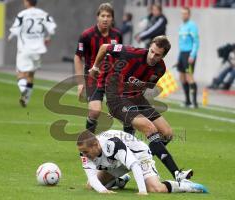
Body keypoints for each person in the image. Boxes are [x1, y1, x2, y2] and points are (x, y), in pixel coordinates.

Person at [89, 36, 193, 182]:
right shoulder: (131, 53)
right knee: (150, 128)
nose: (152, 56)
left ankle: (132, 158)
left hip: (136, 98)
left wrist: (132, 112)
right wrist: (95, 68)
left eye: (157, 55)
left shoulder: (160, 69)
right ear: (149, 47)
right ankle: (177, 173)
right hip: (117, 98)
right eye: (151, 51)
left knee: (167, 134)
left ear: (163, 56)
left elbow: (144, 87)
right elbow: (104, 47)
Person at [77, 130, 208, 194]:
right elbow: (92, 177)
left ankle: (185, 185)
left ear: (95, 145)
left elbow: (134, 164)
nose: (84, 155)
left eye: (86, 152)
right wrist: (103, 191)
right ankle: (120, 180)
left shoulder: (112, 144)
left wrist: (142, 191)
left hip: (138, 156)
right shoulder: (86, 152)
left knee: (154, 188)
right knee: (91, 185)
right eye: (82, 152)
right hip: (118, 161)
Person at [74, 3, 134, 135]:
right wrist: (79, 82)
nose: (105, 19)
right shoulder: (87, 35)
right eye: (103, 16)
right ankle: (88, 146)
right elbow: (78, 57)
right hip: (93, 79)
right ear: (97, 17)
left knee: (125, 112)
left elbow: (120, 56)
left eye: (108, 16)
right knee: (95, 111)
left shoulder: (117, 34)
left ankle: (131, 146)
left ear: (112, 18)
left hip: (113, 79)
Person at [8, 0, 56, 107]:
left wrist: (10, 37)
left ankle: (23, 89)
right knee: (30, 74)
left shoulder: (22, 14)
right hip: (38, 49)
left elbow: (15, 30)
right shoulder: (43, 14)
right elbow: (52, 28)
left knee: (20, 72)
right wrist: (48, 37)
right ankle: (26, 99)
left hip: (25, 48)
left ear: (26, 2)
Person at [177, 7, 199, 108]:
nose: (183, 15)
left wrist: (192, 55)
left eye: (185, 13)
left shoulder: (192, 26)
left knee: (189, 77)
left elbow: (196, 42)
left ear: (189, 15)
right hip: (182, 54)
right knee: (182, 77)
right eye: (182, 13)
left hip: (189, 54)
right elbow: (181, 43)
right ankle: (187, 101)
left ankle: (194, 102)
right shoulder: (181, 26)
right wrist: (178, 58)